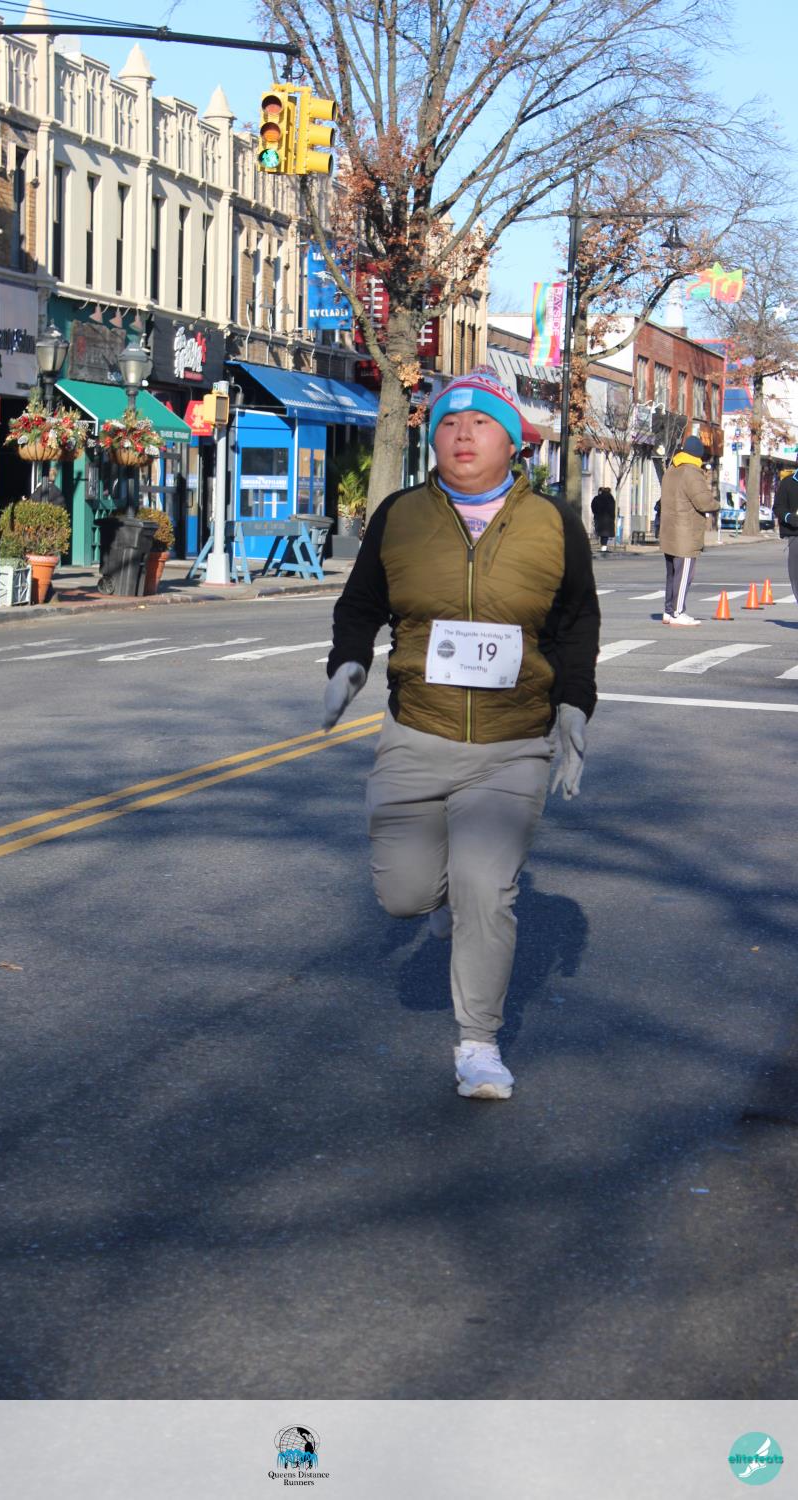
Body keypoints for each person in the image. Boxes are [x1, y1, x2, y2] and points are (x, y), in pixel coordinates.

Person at [322, 367, 600, 1101]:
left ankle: (479, 1044)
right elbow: (360, 605)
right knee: (405, 896)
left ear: (512, 443)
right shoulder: (401, 515)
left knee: (486, 890)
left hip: (513, 745)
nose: (462, 435)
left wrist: (574, 706)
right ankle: (438, 902)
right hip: (417, 733)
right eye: (448, 422)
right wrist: (349, 663)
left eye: (481, 423)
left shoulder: (554, 523)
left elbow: (577, 623)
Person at [658, 434, 718, 625]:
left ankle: (668, 611)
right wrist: (716, 504)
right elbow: (703, 502)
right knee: (684, 575)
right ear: (698, 454)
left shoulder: (672, 469)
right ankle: (678, 612)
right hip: (685, 532)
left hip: (669, 530)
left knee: (672, 575)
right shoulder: (692, 472)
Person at [773, 466, 798, 603]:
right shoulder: (788, 483)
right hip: (796, 535)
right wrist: (789, 517)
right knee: (795, 576)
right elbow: (778, 507)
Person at [590, 485, 616, 553]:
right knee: (605, 535)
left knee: (602, 534)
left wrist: (596, 514)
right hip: (608, 520)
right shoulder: (610, 498)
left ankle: (603, 547)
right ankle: (603, 547)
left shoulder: (597, 498)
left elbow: (593, 507)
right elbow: (612, 509)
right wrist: (612, 518)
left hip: (599, 518)